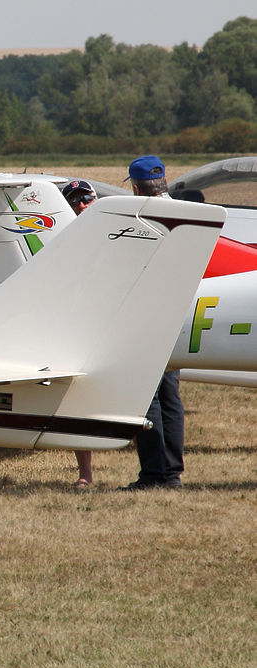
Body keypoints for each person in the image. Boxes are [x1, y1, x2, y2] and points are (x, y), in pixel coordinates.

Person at [124, 155, 185, 490]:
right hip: (181, 314)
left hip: (149, 317)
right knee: (170, 396)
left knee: (146, 396)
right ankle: (172, 471)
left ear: (136, 187)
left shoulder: (143, 218)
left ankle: (153, 474)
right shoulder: (187, 213)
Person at [62, 180, 99, 489]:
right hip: (81, 327)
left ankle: (158, 471)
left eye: (86, 198)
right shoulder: (63, 239)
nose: (82, 205)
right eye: (75, 201)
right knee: (79, 396)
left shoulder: (116, 230)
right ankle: (85, 473)